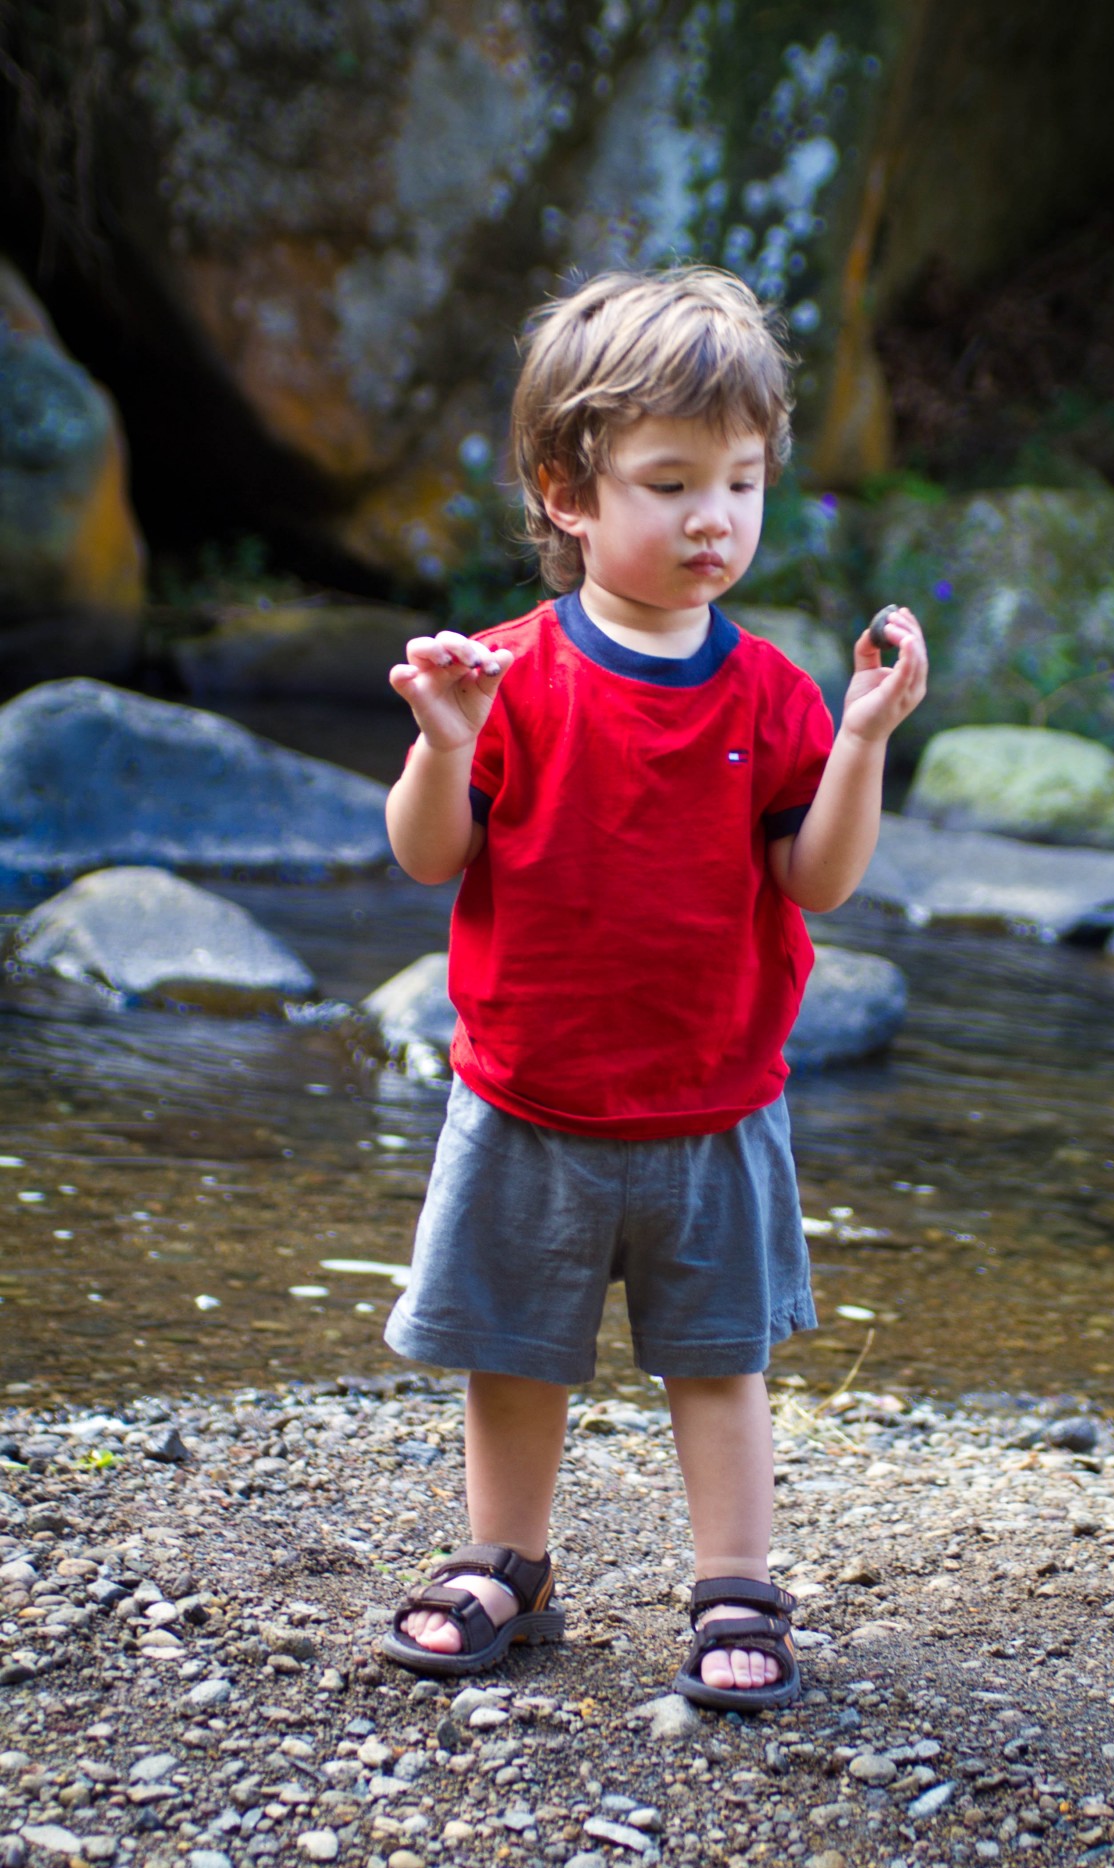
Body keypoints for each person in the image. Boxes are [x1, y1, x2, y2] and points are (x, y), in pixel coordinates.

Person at [377, 265, 926, 1711]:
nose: (713, 520)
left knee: (716, 1356)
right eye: (671, 481)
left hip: (712, 1099)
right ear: (566, 490)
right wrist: (442, 744)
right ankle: (510, 1558)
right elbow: (431, 857)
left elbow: (817, 882)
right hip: (530, 1096)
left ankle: (736, 1581)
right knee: (513, 1349)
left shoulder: (774, 696)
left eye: (741, 484)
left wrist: (864, 739)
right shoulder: (506, 676)